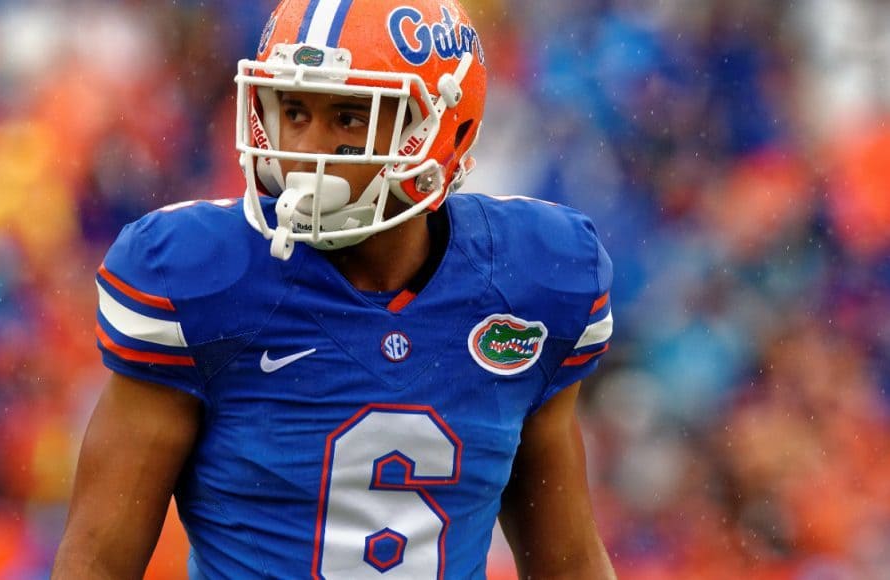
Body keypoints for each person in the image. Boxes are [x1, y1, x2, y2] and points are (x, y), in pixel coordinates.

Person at [52, 1, 617, 578]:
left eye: (349, 118)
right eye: (294, 111)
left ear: (443, 129)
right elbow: (95, 564)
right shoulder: (197, 279)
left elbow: (569, 563)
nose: (307, 148)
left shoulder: (531, 281)